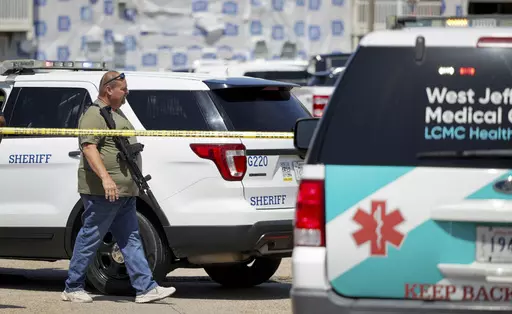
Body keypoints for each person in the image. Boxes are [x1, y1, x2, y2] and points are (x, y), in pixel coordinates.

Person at [61, 71, 176, 303]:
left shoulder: (116, 113)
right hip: (103, 192)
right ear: (108, 90)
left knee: (130, 238)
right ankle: (72, 287)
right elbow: (89, 148)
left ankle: (145, 288)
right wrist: (106, 179)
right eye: (123, 89)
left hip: (124, 192)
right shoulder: (94, 115)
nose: (127, 92)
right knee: (91, 236)